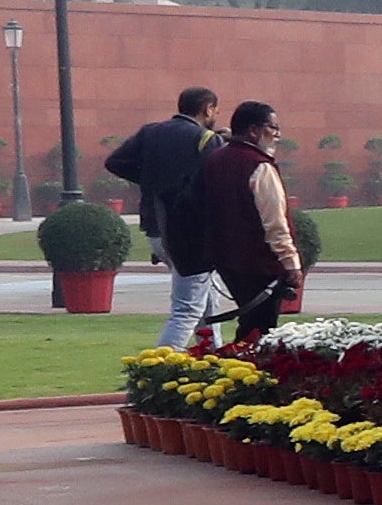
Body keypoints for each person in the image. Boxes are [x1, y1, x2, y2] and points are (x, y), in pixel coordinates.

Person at [104, 89, 226, 343]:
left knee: (204, 300)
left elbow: (115, 162)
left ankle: (214, 358)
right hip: (190, 235)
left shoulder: (151, 132)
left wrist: (151, 179)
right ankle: (161, 366)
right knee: (186, 309)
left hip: (156, 228)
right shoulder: (206, 140)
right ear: (208, 109)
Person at [192, 102, 309, 347]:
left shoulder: (215, 159)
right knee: (259, 332)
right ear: (254, 130)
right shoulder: (259, 165)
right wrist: (291, 263)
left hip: (225, 258)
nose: (277, 134)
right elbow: (275, 222)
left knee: (251, 326)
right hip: (260, 262)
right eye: (273, 127)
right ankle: (243, 379)